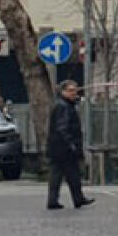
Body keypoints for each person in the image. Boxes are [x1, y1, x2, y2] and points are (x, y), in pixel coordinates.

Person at [46, 80, 94, 210]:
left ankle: (61, 199)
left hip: (59, 147)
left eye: (75, 90)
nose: (74, 93)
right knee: (69, 174)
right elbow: (63, 127)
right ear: (63, 92)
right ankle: (74, 199)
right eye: (71, 90)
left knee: (63, 174)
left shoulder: (65, 105)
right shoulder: (63, 106)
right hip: (64, 148)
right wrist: (71, 144)